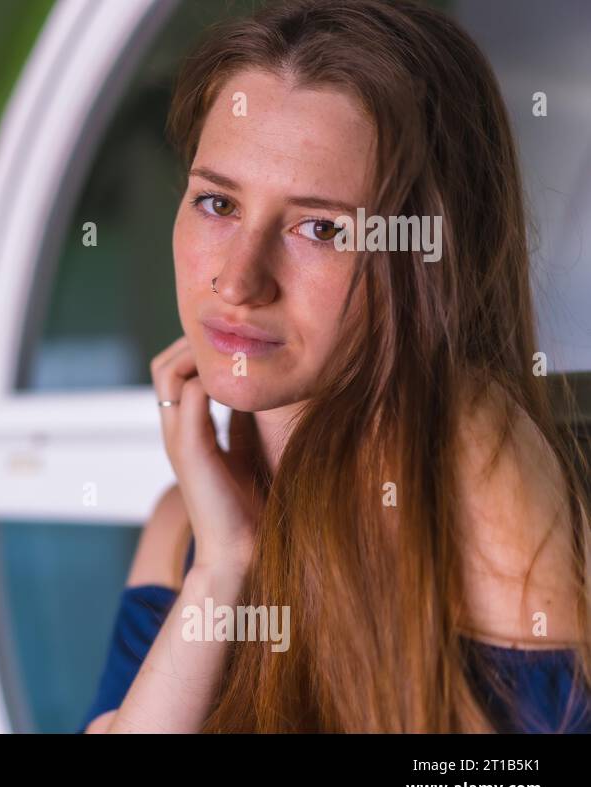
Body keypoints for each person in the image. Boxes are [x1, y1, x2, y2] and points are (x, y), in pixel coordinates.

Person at [83, 0, 591, 733]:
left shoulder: (466, 459)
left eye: (320, 227)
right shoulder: (185, 525)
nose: (237, 280)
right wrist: (224, 566)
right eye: (217, 201)